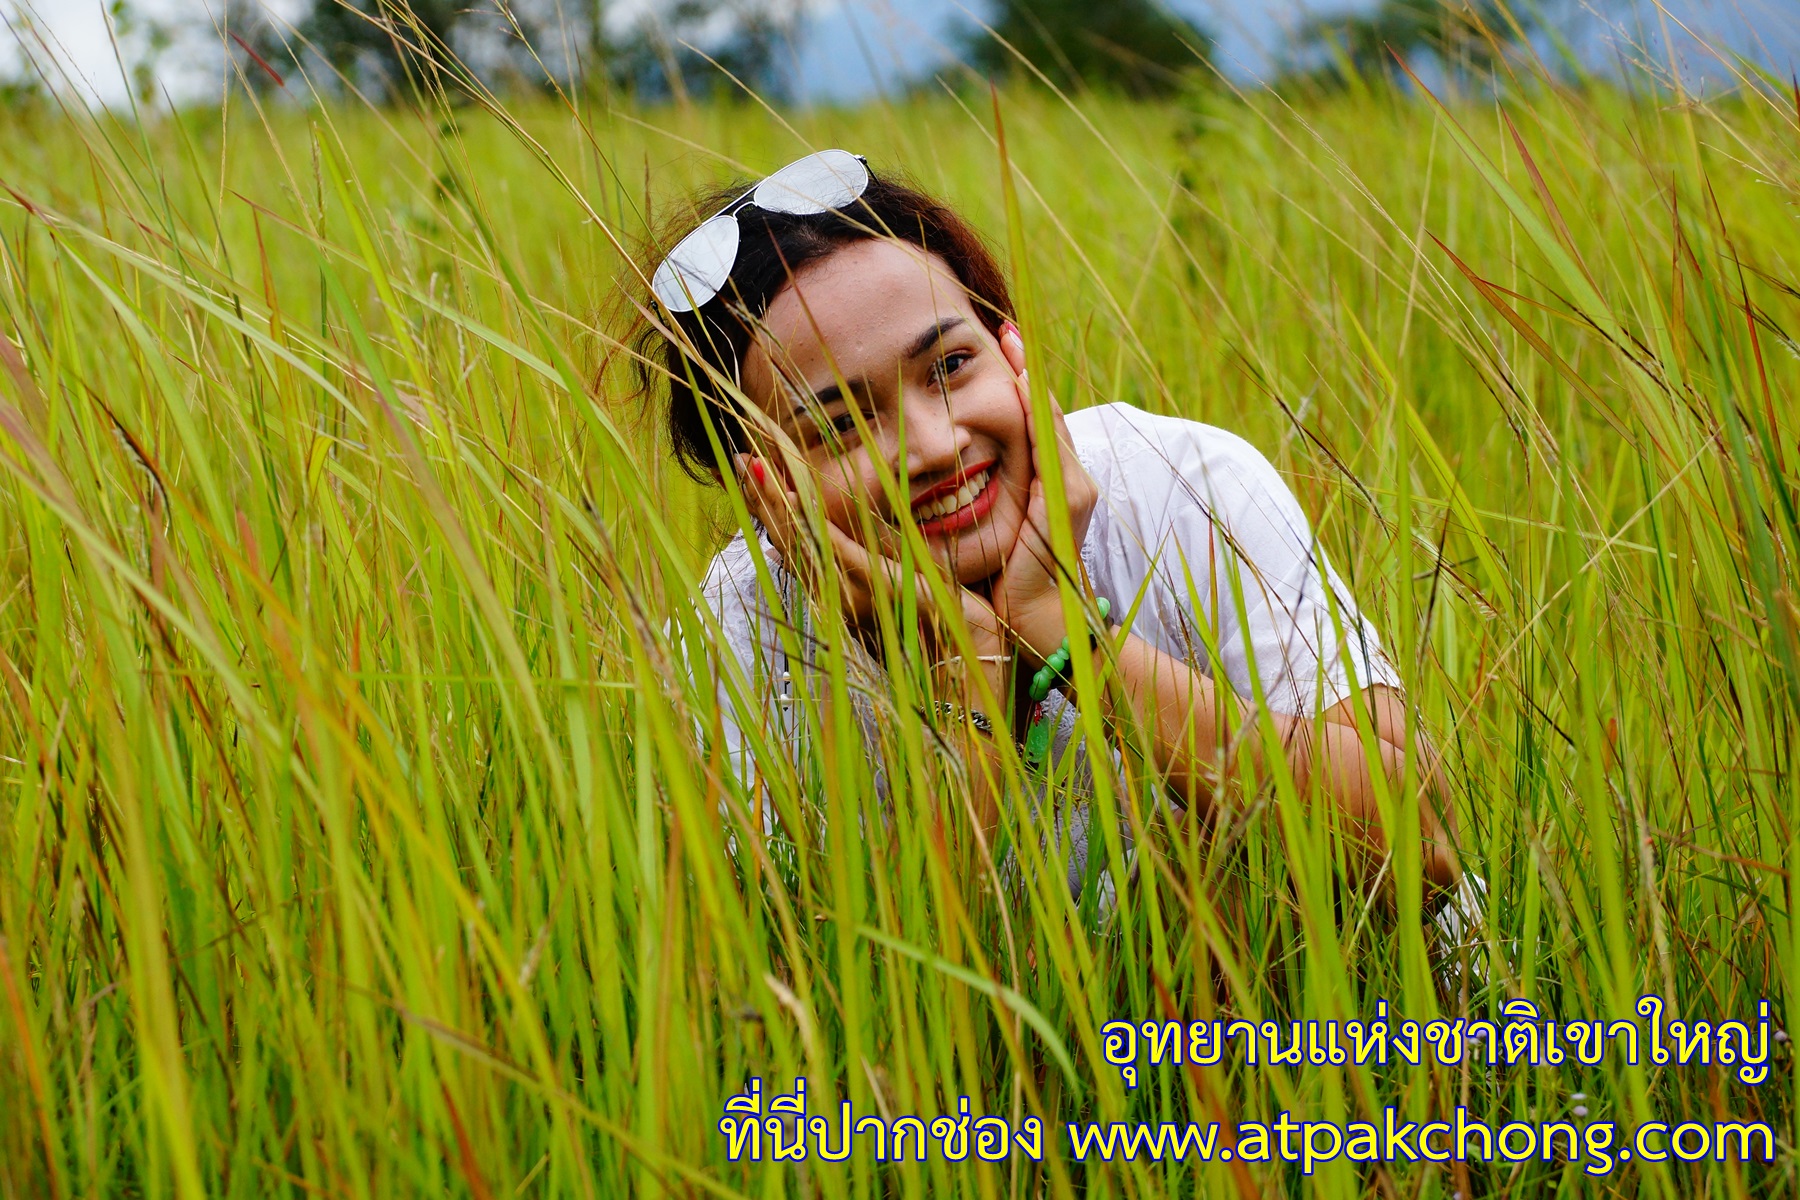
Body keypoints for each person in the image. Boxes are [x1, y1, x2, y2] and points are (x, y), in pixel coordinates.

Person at [636, 149, 1461, 912]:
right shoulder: (738, 633)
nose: (934, 446)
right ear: (768, 486)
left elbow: (1422, 857)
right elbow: (880, 1009)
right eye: (842, 424)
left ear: (1011, 351)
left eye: (950, 367)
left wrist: (1067, 636)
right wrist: (973, 672)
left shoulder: (1177, 485)